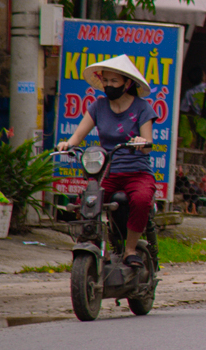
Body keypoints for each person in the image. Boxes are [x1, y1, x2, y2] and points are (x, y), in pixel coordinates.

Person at [59, 55, 157, 273]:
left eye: (114, 81)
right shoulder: (98, 107)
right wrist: (68, 144)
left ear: (127, 83)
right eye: (106, 81)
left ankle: (130, 250)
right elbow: (77, 137)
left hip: (137, 172)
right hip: (108, 172)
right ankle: (94, 243)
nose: (109, 85)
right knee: (87, 200)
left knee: (141, 200)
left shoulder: (143, 108)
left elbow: (148, 145)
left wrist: (142, 142)